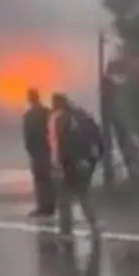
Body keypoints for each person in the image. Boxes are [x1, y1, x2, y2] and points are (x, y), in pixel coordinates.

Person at [48, 93, 104, 236]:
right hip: (86, 162)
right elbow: (97, 134)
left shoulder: (59, 118)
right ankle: (94, 224)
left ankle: (65, 231)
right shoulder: (82, 115)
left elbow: (61, 143)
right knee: (83, 194)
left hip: (69, 162)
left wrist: (59, 164)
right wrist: (96, 157)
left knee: (64, 198)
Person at [23, 88, 54, 217]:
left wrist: (30, 150)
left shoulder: (29, 115)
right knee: (48, 179)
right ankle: (50, 206)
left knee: (40, 180)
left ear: (30, 99)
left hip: (37, 150)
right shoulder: (47, 112)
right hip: (48, 150)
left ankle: (42, 207)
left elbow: (27, 135)